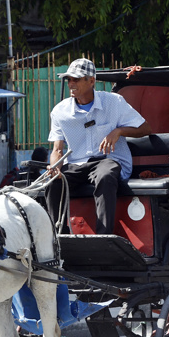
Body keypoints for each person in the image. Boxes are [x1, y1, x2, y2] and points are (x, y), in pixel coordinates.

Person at [45, 58, 151, 235]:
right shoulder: (59, 112)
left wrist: (118, 131)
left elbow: (145, 128)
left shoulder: (114, 102)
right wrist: (55, 166)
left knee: (105, 176)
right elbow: (57, 149)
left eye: (76, 79)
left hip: (108, 160)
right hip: (77, 164)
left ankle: (104, 235)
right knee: (52, 183)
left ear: (91, 81)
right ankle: (59, 238)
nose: (71, 83)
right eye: (69, 79)